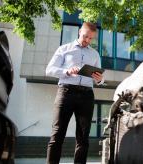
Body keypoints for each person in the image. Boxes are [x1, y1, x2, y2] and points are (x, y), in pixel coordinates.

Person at [45, 22, 104, 164]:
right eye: (85, 37)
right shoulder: (64, 49)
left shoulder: (95, 54)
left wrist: (100, 80)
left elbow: (99, 77)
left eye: (91, 38)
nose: (87, 40)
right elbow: (49, 70)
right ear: (79, 32)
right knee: (57, 134)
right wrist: (66, 71)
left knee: (83, 138)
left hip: (86, 96)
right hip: (66, 92)